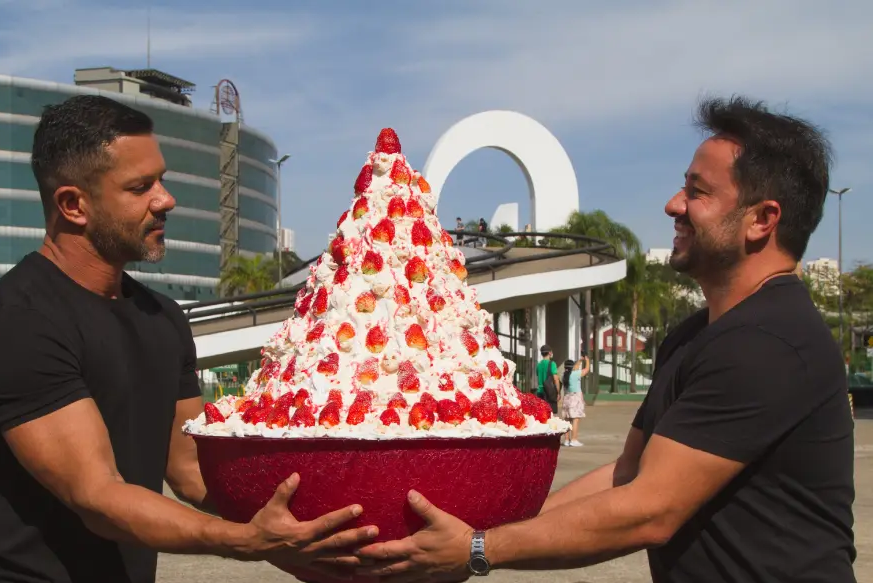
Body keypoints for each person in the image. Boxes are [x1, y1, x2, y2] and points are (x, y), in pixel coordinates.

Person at [353, 96, 856, 582]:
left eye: (698, 192)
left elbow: (649, 510)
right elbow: (628, 473)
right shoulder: (695, 336)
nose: (673, 204)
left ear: (762, 219)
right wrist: (479, 535)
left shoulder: (769, 343)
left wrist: (477, 551)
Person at [0, 95, 375, 583]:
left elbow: (192, 470)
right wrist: (245, 541)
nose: (165, 199)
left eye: (162, 179)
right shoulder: (18, 324)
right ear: (73, 204)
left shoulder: (162, 317)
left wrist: (314, 533)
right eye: (140, 186)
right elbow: (98, 496)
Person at [560, 357, 588, 447]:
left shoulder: (563, 375)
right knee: (576, 419)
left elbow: (574, 369)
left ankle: (567, 440)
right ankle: (574, 439)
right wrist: (587, 360)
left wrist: (579, 360)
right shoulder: (575, 374)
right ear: (572, 367)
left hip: (566, 398)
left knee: (567, 420)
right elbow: (586, 370)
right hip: (575, 397)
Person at [535, 345, 559, 415]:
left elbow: (538, 375)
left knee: (542, 414)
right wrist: (558, 392)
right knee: (549, 415)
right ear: (550, 353)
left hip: (540, 392)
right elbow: (556, 379)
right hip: (549, 393)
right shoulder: (552, 364)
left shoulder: (539, 365)